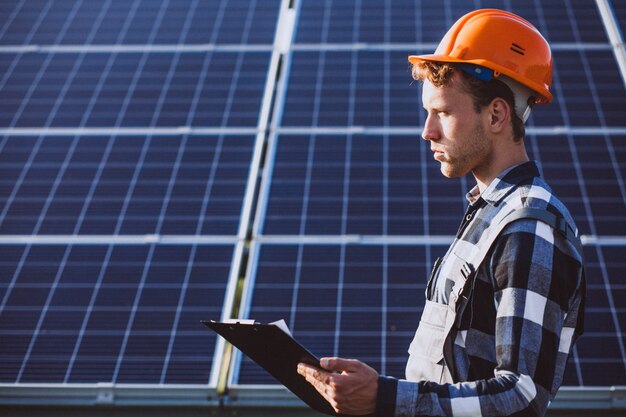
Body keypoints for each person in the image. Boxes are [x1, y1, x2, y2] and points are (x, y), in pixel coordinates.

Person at [297, 9, 586, 417]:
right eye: (427, 113)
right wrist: (374, 394)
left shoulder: (531, 227)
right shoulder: (489, 215)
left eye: (444, 113)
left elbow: (522, 396)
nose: (427, 131)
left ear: (497, 115)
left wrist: (383, 396)